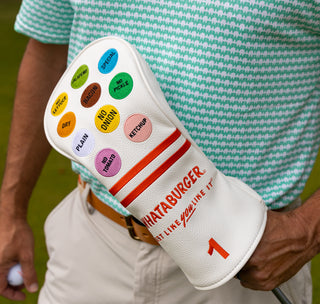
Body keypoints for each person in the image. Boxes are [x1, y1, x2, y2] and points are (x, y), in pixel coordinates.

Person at [0, 0, 319, 303]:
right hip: (92, 244)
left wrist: (304, 230)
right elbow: (48, 51)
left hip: (238, 256)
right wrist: (10, 211)